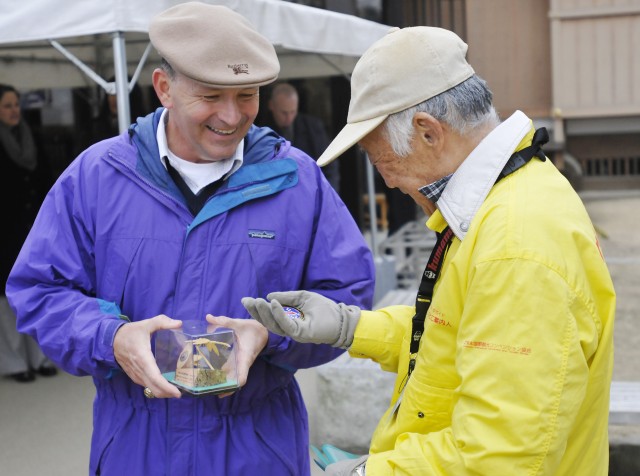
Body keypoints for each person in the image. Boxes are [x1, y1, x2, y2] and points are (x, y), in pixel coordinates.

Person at [6, 3, 374, 476]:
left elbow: (347, 297)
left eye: (247, 95)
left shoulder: (297, 180)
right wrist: (112, 337)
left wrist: (272, 330)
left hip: (259, 450)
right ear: (164, 88)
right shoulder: (97, 177)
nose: (231, 115)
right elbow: (40, 291)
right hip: (135, 451)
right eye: (211, 95)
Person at [242, 26, 616, 475]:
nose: (387, 182)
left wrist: (363, 473)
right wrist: (350, 326)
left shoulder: (515, 243)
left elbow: (500, 457)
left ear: (427, 132)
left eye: (383, 162)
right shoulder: (509, 201)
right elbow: (455, 336)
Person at [0, 84, 57, 383]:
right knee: (6, 304)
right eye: (7, 105)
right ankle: (15, 363)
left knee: (37, 293)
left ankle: (41, 357)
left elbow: (47, 183)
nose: (14, 111)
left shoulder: (31, 137)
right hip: (4, 235)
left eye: (16, 105)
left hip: (33, 232)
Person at [264, 82, 341, 192]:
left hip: (311, 191)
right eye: (284, 113)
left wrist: (328, 193)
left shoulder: (313, 128)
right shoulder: (263, 132)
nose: (289, 118)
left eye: (292, 112)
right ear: (271, 106)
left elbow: (330, 166)